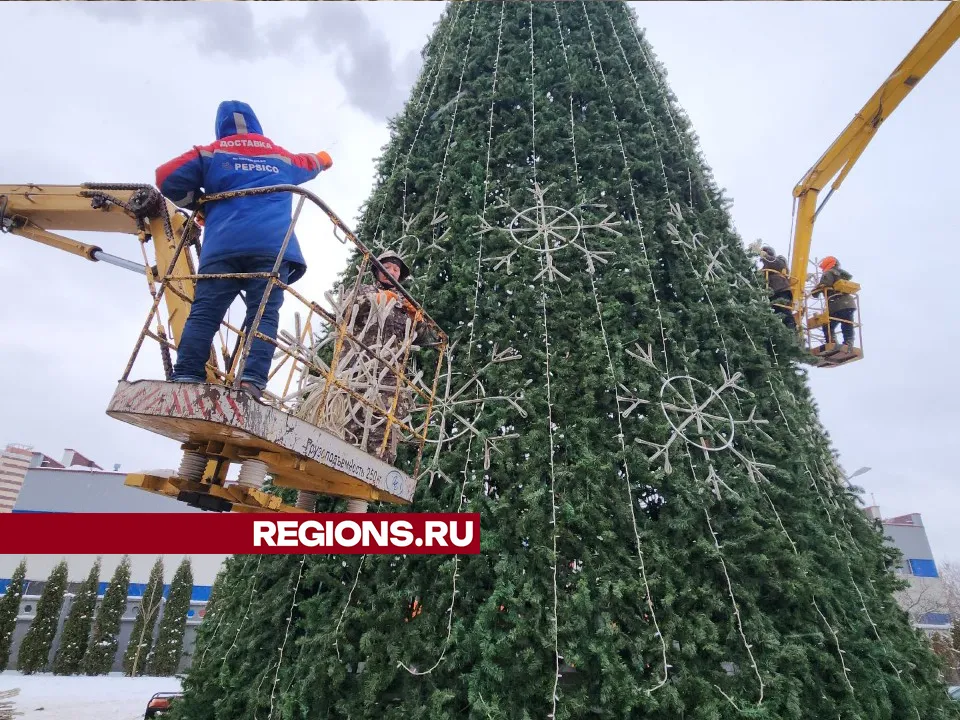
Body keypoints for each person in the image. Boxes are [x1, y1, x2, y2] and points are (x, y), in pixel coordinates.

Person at [155, 100, 333, 399]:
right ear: (256, 123)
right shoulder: (281, 157)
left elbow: (165, 176)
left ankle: (186, 374)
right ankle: (251, 382)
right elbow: (312, 163)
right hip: (271, 248)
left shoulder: (211, 153)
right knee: (263, 314)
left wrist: (197, 203)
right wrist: (325, 158)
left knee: (204, 313)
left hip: (221, 248)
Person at [813, 256, 857, 347]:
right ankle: (849, 342)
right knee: (847, 324)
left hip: (836, 304)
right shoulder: (843, 275)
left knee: (827, 325)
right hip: (849, 304)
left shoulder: (829, 272)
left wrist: (815, 292)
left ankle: (831, 342)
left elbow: (825, 284)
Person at [758, 245, 796, 329]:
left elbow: (775, 263)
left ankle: (792, 330)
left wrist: (764, 255)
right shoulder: (765, 268)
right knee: (775, 314)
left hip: (781, 290)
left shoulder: (778, 261)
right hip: (771, 293)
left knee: (784, 311)